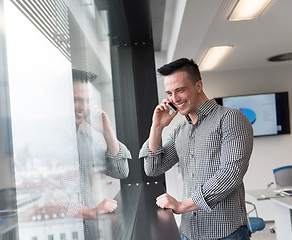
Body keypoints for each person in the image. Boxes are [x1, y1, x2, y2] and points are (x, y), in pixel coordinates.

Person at [139, 58, 253, 240]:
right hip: (189, 232)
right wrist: (157, 128)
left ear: (198, 86)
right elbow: (153, 169)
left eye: (180, 90)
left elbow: (231, 174)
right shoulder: (180, 131)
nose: (175, 99)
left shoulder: (231, 119)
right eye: (169, 93)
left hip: (226, 233)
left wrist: (183, 205)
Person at [72, 69, 131, 239]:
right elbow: (50, 198)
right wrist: (91, 212)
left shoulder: (86, 139)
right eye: (77, 100)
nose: (82, 107)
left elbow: (121, 171)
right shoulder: (52, 141)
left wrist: (107, 131)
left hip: (89, 232)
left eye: (87, 101)